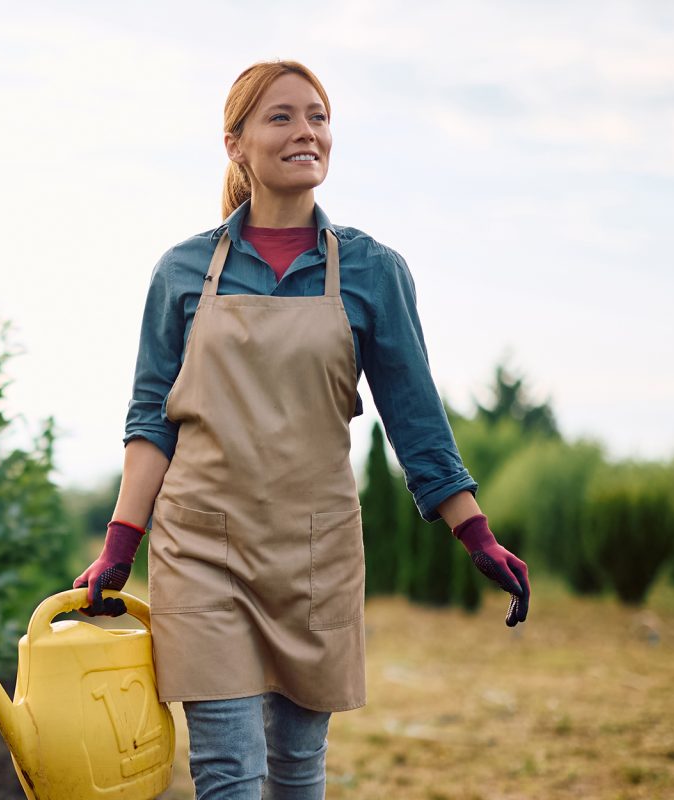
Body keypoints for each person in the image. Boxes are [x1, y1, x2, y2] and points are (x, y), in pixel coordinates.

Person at [72, 60, 532, 800]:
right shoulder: (183, 272)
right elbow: (150, 421)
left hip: (314, 549)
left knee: (294, 770)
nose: (306, 131)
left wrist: (474, 532)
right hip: (201, 547)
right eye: (281, 117)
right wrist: (120, 545)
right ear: (237, 145)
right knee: (227, 770)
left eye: (317, 116)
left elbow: (415, 419)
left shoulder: (373, 271)